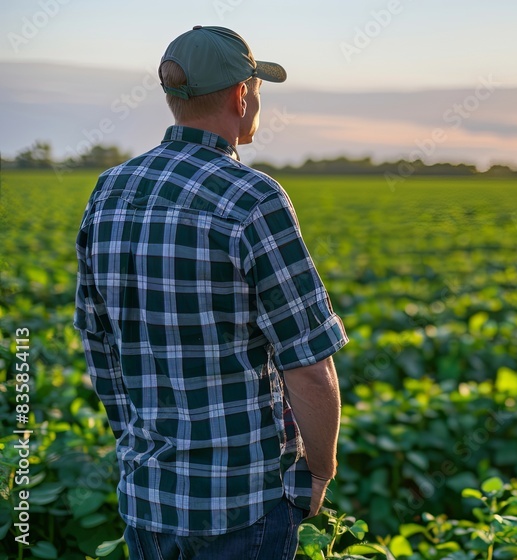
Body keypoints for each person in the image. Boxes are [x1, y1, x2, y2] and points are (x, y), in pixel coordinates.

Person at [73, 26, 348, 559]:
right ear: (241, 96)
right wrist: (319, 471)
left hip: (147, 498)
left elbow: (97, 341)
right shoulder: (252, 198)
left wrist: (135, 447)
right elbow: (309, 365)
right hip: (243, 503)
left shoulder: (109, 189)